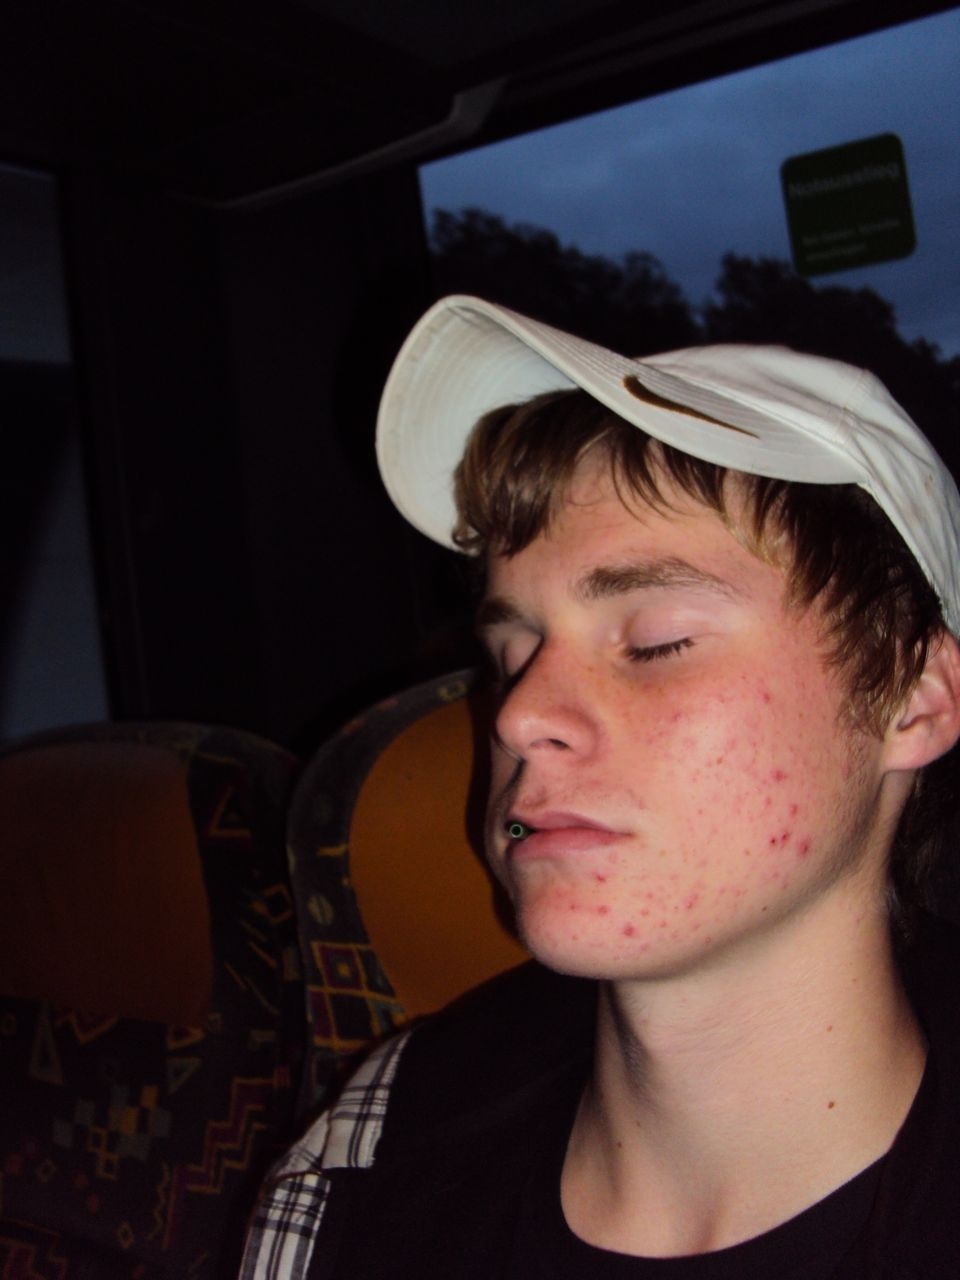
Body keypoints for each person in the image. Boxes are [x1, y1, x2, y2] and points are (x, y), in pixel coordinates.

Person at [241, 296, 960, 1278]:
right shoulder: (365, 1153)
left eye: (657, 641)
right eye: (509, 654)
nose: (517, 714)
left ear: (915, 697)